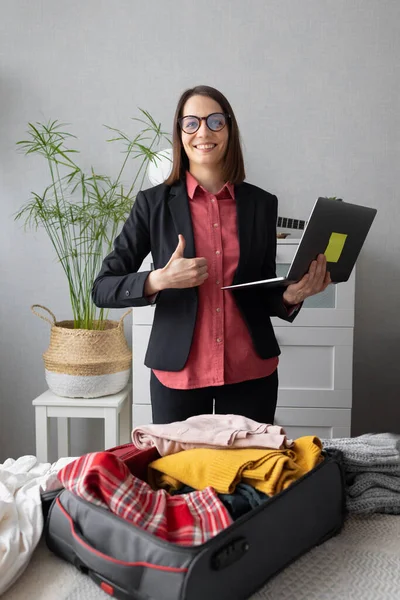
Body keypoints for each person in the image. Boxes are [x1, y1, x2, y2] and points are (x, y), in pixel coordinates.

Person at [92, 85, 331, 425]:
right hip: (178, 375)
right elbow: (103, 287)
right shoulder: (152, 204)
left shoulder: (261, 204)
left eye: (215, 121)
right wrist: (158, 279)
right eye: (191, 123)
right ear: (179, 133)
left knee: (250, 477)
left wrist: (292, 295)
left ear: (229, 130)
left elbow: (261, 292)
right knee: (177, 478)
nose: (203, 131)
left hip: (251, 372)